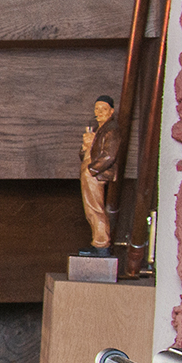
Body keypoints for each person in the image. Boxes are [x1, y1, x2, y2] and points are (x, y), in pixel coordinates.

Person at [79, 94, 121, 250]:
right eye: (97, 109)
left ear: (111, 112)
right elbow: (86, 154)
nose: (99, 112)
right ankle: (96, 240)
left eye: (104, 109)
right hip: (89, 172)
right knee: (90, 209)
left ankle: (101, 244)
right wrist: (85, 147)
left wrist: (92, 170)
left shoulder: (111, 130)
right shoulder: (99, 130)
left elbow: (109, 156)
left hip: (95, 174)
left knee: (96, 208)